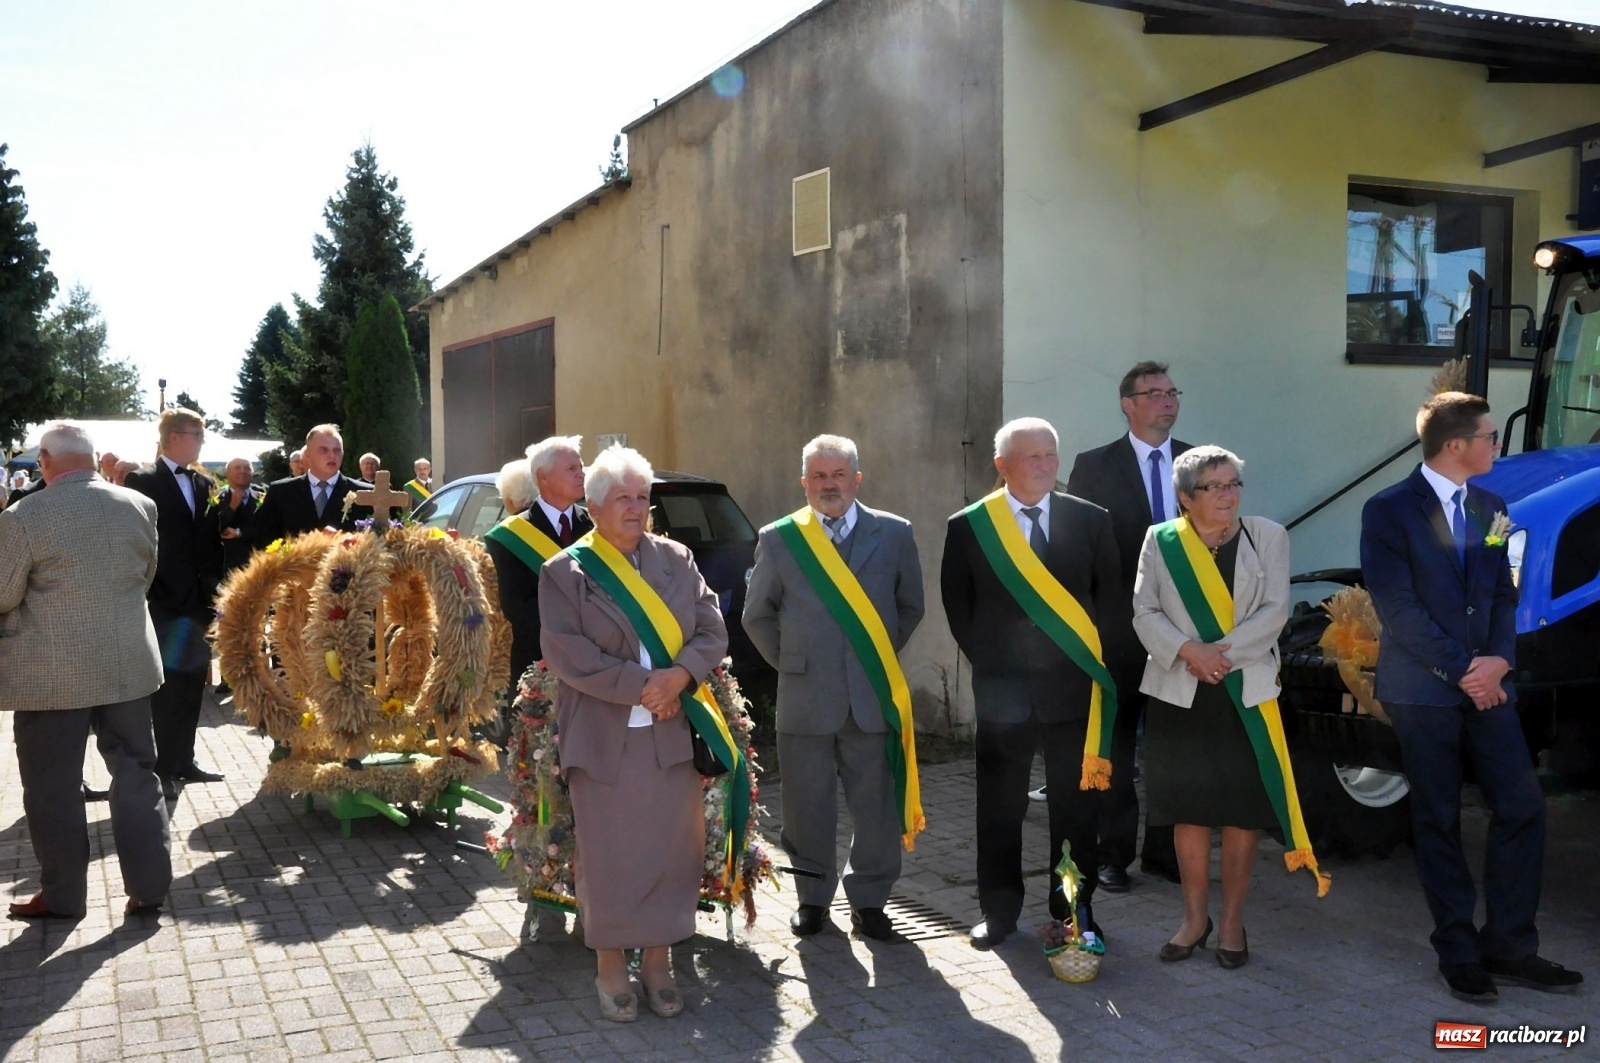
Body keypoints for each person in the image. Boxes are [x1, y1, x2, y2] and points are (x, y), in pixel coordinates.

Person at [1361, 392, 1583, 1004]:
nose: (1497, 445)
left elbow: (1505, 594)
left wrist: (1501, 661)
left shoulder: (1492, 506)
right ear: (1455, 445)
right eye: (1490, 436)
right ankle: (1458, 953)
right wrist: (1465, 670)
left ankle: (1510, 945)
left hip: (1487, 686)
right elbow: (1397, 608)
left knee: (1523, 807)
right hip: (1424, 691)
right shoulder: (1387, 510)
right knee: (1438, 818)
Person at [539, 445, 727, 1021]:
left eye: (642, 497)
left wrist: (679, 677)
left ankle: (659, 963)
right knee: (611, 855)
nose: (635, 507)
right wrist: (646, 686)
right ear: (594, 507)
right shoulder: (565, 572)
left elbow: (711, 630)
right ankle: (611, 964)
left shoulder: (677, 560)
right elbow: (569, 654)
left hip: (670, 735)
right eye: (622, 497)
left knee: (671, 852)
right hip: (604, 738)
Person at [941, 417, 1123, 949]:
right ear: (1001, 465)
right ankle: (998, 913)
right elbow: (959, 608)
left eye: (1050, 455)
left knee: (1076, 809)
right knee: (1000, 808)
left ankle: (1073, 911)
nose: (1044, 465)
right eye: (1031, 457)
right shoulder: (970, 526)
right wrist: (997, 666)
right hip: (1004, 696)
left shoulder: (1090, 520)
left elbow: (1110, 603)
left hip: (1074, 691)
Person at [744, 434, 925, 941]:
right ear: (804, 482)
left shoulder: (894, 533)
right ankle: (812, 900)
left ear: (856, 479)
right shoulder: (780, 538)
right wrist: (793, 664)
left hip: (872, 697)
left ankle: (870, 901)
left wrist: (875, 660)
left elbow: (910, 605)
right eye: (819, 476)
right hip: (805, 698)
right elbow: (758, 615)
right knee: (806, 809)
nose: (829, 484)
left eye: (838, 474)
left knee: (877, 808)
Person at [1132, 446, 1296, 970]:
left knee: (1241, 815)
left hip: (1242, 690)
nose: (1228, 495)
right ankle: (1193, 920)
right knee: (1190, 811)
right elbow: (1144, 611)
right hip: (1181, 691)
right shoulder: (1160, 540)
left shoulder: (1267, 536)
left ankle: (1230, 922)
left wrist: (1218, 657)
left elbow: (1275, 611)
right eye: (1214, 486)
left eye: (1233, 484)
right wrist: (1189, 652)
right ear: (1186, 497)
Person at [0, 422, 172, 919]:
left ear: (45, 461)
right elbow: (144, 577)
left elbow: (3, 594)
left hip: (51, 676)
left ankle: (63, 897)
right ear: (94, 459)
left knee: (52, 788)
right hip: (128, 664)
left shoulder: (24, 516)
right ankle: (149, 889)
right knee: (137, 775)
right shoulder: (139, 505)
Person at [1066, 360, 1190, 888]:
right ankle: (1113, 854)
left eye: (1172, 392)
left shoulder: (1198, 462)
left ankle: (1165, 851)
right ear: (1128, 405)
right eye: (1155, 393)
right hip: (1118, 629)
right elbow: (1078, 549)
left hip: (1185, 633)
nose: (1167, 400)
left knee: (1174, 743)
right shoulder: (1094, 466)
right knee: (1115, 742)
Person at [123, 409, 225, 799]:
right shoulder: (143, 480)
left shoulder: (203, 483)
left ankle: (184, 760)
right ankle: (162, 768)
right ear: (173, 437)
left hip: (198, 602)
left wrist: (215, 586)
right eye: (197, 434)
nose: (202, 441)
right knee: (165, 690)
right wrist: (153, 589)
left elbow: (210, 541)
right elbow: (139, 540)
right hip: (164, 600)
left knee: (193, 682)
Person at [484, 437, 592, 699]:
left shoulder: (596, 525)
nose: (581, 474)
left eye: (581, 467)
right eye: (571, 469)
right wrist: (574, 640)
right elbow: (518, 607)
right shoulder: (511, 535)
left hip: (595, 665)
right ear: (543, 477)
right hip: (539, 664)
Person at [252, 424, 373, 547]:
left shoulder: (367, 493)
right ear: (308, 454)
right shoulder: (280, 492)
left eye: (337, 450)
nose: (332, 456)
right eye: (324, 450)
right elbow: (263, 539)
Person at [212, 457, 264, 576]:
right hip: (227, 566)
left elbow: (267, 529)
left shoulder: (263, 497)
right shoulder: (216, 498)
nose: (242, 471)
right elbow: (212, 529)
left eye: (247, 468)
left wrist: (240, 532)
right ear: (227, 473)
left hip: (258, 564)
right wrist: (232, 507)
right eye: (237, 468)